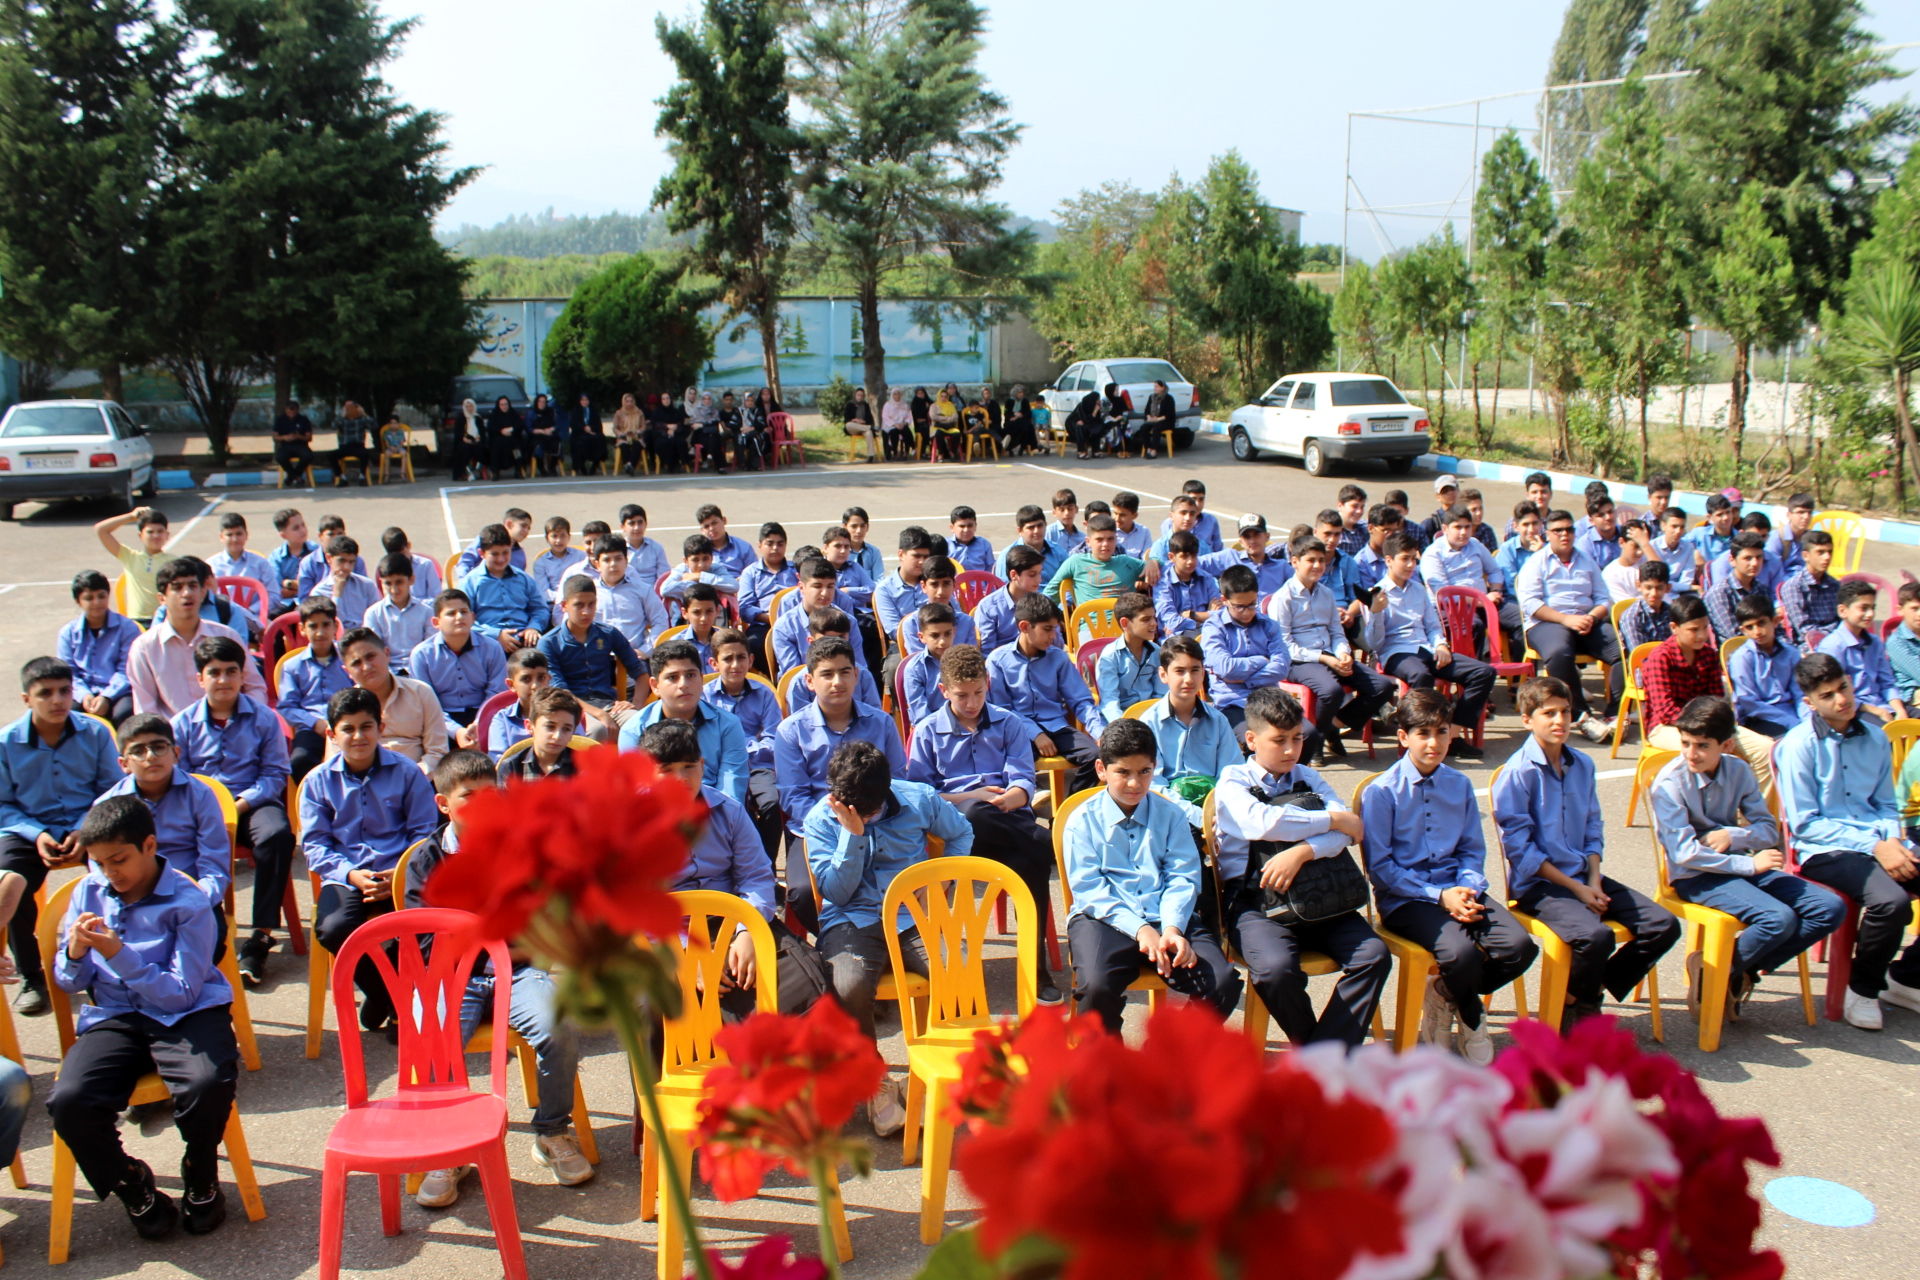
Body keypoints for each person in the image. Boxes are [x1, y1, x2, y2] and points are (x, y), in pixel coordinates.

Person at [399, 751, 592, 1208]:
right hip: (453, 978)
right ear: (445, 804)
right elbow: (424, 946)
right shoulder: (426, 862)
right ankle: (452, 1148)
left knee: (557, 1026)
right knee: (436, 1039)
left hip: (521, 970)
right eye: (470, 797)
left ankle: (551, 1130)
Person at [47, 796, 238, 1239]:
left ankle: (201, 1172)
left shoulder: (189, 901)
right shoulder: (88, 891)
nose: (109, 873)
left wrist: (118, 953)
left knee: (207, 1082)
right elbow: (68, 981)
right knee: (70, 1101)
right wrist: (75, 952)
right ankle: (130, 1181)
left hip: (186, 1012)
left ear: (149, 845)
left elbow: (181, 994)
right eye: (98, 863)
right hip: (116, 1013)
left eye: (119, 859)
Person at [1361, 690, 1538, 1064]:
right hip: (1406, 898)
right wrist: (1440, 897)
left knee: (1519, 947)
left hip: (1459, 887)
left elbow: (1472, 849)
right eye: (1422, 733)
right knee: (1459, 954)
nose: (1434, 742)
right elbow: (1382, 867)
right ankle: (1472, 1017)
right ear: (1403, 737)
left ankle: (1444, 993)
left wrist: (1468, 888)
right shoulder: (1382, 792)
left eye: (1441, 732)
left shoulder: (1458, 785)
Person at [1493, 676, 1679, 1028]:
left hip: (1584, 875)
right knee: (1596, 936)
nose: (1559, 721)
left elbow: (1593, 827)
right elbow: (1521, 851)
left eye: (1564, 712)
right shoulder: (1518, 773)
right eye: (1548, 713)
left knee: (1663, 925)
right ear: (1527, 719)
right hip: (1540, 885)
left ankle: (1578, 992)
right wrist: (1578, 889)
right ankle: (1584, 1004)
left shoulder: (1582, 764)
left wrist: (1593, 879)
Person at [803, 740, 969, 1134]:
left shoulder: (919, 799)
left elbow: (961, 834)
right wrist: (852, 835)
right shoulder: (821, 819)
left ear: (886, 792)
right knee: (847, 984)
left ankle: (927, 1075)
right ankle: (874, 1080)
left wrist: (940, 879)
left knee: (957, 969)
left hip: (913, 915)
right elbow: (835, 892)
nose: (855, 812)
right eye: (845, 804)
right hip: (853, 918)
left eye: (868, 809)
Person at [1651, 696, 1844, 1021]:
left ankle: (1726, 971)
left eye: (1701, 746)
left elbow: (1768, 830)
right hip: (1695, 876)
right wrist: (1747, 864)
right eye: (1685, 743)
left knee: (1829, 907)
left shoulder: (1738, 769)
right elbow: (1685, 854)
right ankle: (1727, 973)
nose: (1690, 754)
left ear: (1725, 745)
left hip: (1740, 866)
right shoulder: (1669, 784)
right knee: (1778, 918)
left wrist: (1733, 836)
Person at [1214, 687, 1387, 1047]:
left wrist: (1303, 852)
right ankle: (1321, 1054)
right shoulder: (1232, 781)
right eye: (1279, 741)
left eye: (1297, 738)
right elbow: (1263, 823)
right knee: (1275, 970)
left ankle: (1324, 1054)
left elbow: (1347, 836)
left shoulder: (1309, 777)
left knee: (1374, 955)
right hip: (1256, 902)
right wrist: (1333, 820)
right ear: (1251, 740)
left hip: (1321, 893)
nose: (1291, 750)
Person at [906, 645, 1062, 1003]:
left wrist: (1010, 798)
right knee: (976, 815)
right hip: (956, 833)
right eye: (962, 695)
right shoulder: (928, 731)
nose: (972, 702)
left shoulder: (1008, 722)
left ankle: (1034, 968)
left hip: (1007, 821)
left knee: (1029, 865)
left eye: (978, 692)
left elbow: (1023, 779)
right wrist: (969, 797)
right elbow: (920, 796)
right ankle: (1049, 841)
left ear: (988, 684)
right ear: (944, 691)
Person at [1062, 719, 1240, 1033]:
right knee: (1097, 989)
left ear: (1155, 768)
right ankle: (1111, 1070)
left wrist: (1171, 928)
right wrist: (1141, 929)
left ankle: (1169, 1057)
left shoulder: (1171, 815)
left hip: (1166, 914)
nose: (1135, 783)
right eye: (1123, 772)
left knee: (1222, 983)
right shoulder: (1081, 821)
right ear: (1102, 769)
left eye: (1144, 772)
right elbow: (1090, 891)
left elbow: (1183, 876)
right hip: (1105, 918)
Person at [640, 720, 822, 1018]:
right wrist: (687, 954)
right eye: (667, 770)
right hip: (671, 933)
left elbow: (756, 877)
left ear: (702, 764)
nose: (681, 779)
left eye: (689, 767)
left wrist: (745, 932)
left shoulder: (729, 811)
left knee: (806, 983)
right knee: (654, 1009)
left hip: (734, 918)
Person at [1775, 654, 1920, 1030]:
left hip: (1878, 840)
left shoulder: (1874, 736)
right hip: (1825, 850)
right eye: (1828, 695)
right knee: (1892, 903)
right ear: (1811, 703)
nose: (1842, 700)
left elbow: (1886, 803)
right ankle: (1863, 989)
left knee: (1900, 890)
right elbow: (1805, 824)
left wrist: (1891, 839)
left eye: (1844, 688)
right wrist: (1875, 846)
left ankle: (1906, 977)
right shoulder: (1798, 745)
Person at [301, 687, 440, 1033]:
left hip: (399, 870)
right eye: (348, 729)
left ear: (381, 727)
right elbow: (316, 844)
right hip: (348, 874)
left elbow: (423, 833)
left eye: (366, 726)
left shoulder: (408, 773)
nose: (358, 736)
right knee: (333, 928)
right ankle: (388, 998)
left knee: (415, 927)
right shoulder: (318, 782)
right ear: (333, 734)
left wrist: (399, 873)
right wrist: (351, 875)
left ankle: (401, 1005)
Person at [0, 656, 124, 1015]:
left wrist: (84, 829)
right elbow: (3, 804)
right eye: (45, 693)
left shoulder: (96, 731)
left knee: (118, 872)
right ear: (27, 699)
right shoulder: (6, 743)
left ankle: (117, 960)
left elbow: (112, 790)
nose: (57, 700)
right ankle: (31, 974)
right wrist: (36, 834)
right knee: (11, 879)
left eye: (64, 691)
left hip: (89, 825)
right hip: (28, 828)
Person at [172, 637, 293, 985]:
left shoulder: (264, 718)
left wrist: (239, 805)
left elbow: (274, 774)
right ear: (200, 679)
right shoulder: (183, 724)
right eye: (214, 673)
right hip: (201, 809)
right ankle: (197, 933)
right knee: (177, 844)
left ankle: (261, 935)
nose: (223, 680)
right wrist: (214, 808)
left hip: (251, 804)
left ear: (242, 676)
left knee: (277, 836)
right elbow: (181, 778)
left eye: (231, 672)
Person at [1368, 531, 1495, 757]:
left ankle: (1452, 735)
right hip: (1396, 652)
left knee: (1483, 672)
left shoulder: (1419, 589)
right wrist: (1376, 613)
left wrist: (1441, 645)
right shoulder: (1377, 594)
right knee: (1421, 675)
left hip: (1425, 649)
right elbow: (1375, 643)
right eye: (1404, 559)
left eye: (1414, 559)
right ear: (1389, 561)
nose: (1410, 565)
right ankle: (1418, 738)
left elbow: (1433, 626)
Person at [1639, 594, 1777, 796]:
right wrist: (1710, 733)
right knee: (1708, 751)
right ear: (1674, 628)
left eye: (1705, 628)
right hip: (1667, 728)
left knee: (1766, 749)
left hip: (1711, 727)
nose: (1702, 635)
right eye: (1694, 630)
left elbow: (1717, 701)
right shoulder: (1660, 658)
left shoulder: (1708, 655)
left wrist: (1722, 730)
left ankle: (1757, 820)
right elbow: (1667, 711)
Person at [1270, 537, 1393, 763]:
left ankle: (1328, 728)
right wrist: (1325, 659)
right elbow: (1285, 645)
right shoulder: (1283, 598)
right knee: (1332, 691)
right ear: (1295, 561)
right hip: (1300, 661)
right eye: (1311, 560)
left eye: (1321, 560)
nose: (1317, 566)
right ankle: (1315, 740)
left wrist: (1344, 652)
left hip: (1331, 655)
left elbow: (1336, 632)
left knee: (1383, 686)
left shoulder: (1326, 594)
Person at [1517, 508, 1621, 742]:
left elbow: (1604, 597)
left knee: (1622, 650)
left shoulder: (1586, 560)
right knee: (1558, 652)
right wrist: (1565, 619)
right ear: (1548, 534)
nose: (1565, 535)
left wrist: (1593, 617)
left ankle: (1614, 713)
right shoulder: (1537, 562)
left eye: (1569, 529)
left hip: (1586, 621)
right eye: (1558, 530)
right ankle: (1581, 715)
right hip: (1548, 622)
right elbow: (1530, 603)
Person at [987, 595, 1103, 794]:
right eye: (1047, 629)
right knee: (1016, 763)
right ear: (1024, 627)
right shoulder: (998, 660)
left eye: (1055, 629)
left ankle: (1070, 809)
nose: (1053, 636)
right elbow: (1002, 710)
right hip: (1017, 730)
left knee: (1097, 756)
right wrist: (1036, 734)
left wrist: (1100, 732)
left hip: (1056, 726)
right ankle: (1024, 812)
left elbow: (1081, 701)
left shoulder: (1058, 658)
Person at [126, 560, 264, 719]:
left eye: (192, 586)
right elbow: (146, 708)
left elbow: (255, 686)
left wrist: (247, 722)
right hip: (172, 737)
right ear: (162, 598)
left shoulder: (227, 636)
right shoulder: (145, 648)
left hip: (231, 731)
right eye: (177, 588)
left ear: (203, 592)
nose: (187, 593)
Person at [619, 640, 749, 798]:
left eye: (690, 675)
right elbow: (639, 791)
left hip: (717, 813)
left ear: (701, 680)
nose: (683, 684)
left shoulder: (728, 724)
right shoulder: (634, 730)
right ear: (655, 686)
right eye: (672, 677)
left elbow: (732, 788)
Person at [537, 576, 646, 741]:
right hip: (573, 709)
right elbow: (561, 692)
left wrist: (635, 704)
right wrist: (598, 714)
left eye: (591, 604)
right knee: (597, 731)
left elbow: (641, 674)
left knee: (638, 725)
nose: (586, 612)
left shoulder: (608, 633)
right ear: (564, 606)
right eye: (579, 605)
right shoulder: (549, 643)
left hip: (610, 706)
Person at [409, 589, 508, 747]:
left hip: (483, 713)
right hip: (440, 718)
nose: (459, 617)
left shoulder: (492, 648)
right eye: (451, 613)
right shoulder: (421, 655)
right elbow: (426, 702)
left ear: (473, 617)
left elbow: (496, 692)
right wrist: (456, 731)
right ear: (436, 622)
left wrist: (479, 723)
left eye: (463, 612)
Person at [340, 627, 449, 771]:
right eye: (356, 663)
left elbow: (438, 752)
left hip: (417, 782)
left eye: (370, 656)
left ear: (387, 654)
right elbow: (336, 760)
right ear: (347, 671)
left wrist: (409, 780)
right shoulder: (344, 707)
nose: (366, 667)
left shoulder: (420, 692)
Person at [1201, 565, 1290, 735]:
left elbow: (1282, 667)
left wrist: (1245, 679)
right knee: (1258, 739)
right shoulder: (1214, 627)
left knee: (1308, 734)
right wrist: (1263, 660)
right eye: (1240, 606)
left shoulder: (1268, 625)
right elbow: (1226, 668)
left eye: (1252, 604)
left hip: (1269, 699)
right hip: (1232, 703)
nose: (1247, 612)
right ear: (1224, 600)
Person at [1817, 579, 1906, 723]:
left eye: (1872, 608)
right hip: (1855, 710)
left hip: (1883, 705)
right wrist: (1877, 711)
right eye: (1863, 608)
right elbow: (1836, 693)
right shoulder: (1833, 646)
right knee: (1886, 734)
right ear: (1842, 611)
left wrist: (1900, 711)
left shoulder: (1874, 642)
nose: (1870, 614)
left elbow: (1887, 682)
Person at [60, 570, 140, 725]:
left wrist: (107, 697)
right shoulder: (68, 633)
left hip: (119, 692)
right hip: (82, 692)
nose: (96, 602)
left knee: (124, 714)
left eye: (101, 596)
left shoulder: (128, 628)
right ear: (78, 601)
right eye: (89, 598)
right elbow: (68, 673)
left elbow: (127, 669)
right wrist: (85, 696)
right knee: (67, 715)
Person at [459, 524, 547, 655]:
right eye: (494, 554)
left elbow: (540, 608)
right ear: (481, 553)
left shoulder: (523, 579)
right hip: (487, 643)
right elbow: (464, 618)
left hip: (524, 639)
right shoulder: (470, 582)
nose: (501, 559)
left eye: (505, 553)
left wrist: (533, 628)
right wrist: (495, 635)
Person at [590, 534, 669, 658]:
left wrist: (646, 650)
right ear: (597, 564)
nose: (613, 564)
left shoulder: (642, 590)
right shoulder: (589, 593)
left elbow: (660, 620)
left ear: (626, 561)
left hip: (634, 660)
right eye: (606, 560)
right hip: (597, 660)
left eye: (618, 558)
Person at [93, 507, 177, 625]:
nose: (156, 536)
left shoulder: (174, 562)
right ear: (140, 535)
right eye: (150, 532)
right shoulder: (130, 557)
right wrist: (131, 516)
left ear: (167, 535)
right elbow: (100, 530)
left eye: (160, 531)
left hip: (165, 620)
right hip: (137, 621)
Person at [1046, 513, 1148, 607]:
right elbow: (1050, 593)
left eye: (1110, 539)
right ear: (1088, 541)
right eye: (1099, 540)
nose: (1105, 544)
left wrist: (1152, 561)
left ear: (1116, 540)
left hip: (1124, 625)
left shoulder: (1128, 563)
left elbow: (1158, 570)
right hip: (1090, 625)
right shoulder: (1075, 562)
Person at [1095, 593, 1166, 724]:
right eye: (1146, 620)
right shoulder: (1110, 656)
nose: (1154, 624)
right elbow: (1110, 701)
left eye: (1154, 618)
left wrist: (1154, 719)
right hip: (1122, 718)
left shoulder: (1156, 651)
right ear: (1125, 623)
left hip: (1151, 715)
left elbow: (1161, 694)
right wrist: (1125, 726)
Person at [497, 688, 584, 781]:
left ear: (573, 732)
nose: (557, 736)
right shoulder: (512, 767)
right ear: (530, 727)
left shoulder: (583, 768)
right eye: (550, 727)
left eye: (566, 729)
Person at [1705, 533, 1773, 645]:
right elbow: (1734, 636)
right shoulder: (1720, 593)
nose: (1755, 563)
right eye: (1748, 558)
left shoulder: (1762, 590)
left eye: (1759, 557)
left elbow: (1774, 627)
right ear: (1732, 560)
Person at [484, 648, 549, 759]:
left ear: (548, 679)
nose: (535, 686)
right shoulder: (503, 719)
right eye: (526, 679)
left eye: (541, 678)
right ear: (511, 685)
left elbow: (579, 748)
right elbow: (499, 761)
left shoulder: (564, 714)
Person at [1155, 531, 1219, 639]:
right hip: (1176, 639)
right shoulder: (1162, 582)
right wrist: (1206, 617)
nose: (1190, 562)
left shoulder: (1207, 579)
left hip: (1207, 634)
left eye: (1194, 556)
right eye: (1184, 557)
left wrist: (1193, 615)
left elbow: (1221, 615)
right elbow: (1171, 622)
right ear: (1171, 557)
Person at [1779, 530, 1840, 642]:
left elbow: (1842, 619)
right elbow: (1805, 631)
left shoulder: (1835, 585)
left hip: (1837, 641)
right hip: (1809, 646)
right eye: (1820, 552)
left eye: (1829, 552)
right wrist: (1834, 635)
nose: (1827, 557)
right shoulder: (1794, 587)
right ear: (1805, 556)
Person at [307, 534, 379, 628]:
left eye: (351, 562)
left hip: (364, 637)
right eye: (341, 561)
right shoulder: (319, 593)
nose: (347, 567)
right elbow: (332, 626)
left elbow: (377, 618)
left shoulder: (367, 585)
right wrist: (337, 594)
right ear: (329, 558)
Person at [993, 505, 1066, 585]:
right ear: (1020, 530)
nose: (1036, 531)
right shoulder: (1006, 556)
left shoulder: (1059, 552)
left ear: (1046, 525)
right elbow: (1002, 588)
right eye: (1031, 527)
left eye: (1040, 526)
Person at [1618, 560, 1674, 652]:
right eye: (1648, 587)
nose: (1654, 593)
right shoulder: (1632, 617)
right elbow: (1638, 654)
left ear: (1668, 588)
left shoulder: (1672, 612)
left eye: (1659, 588)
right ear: (1639, 585)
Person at [272, 400, 315, 484]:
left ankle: (292, 476)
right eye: (289, 411)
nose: (291, 413)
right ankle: (295, 476)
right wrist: (284, 437)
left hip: (300, 445)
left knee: (308, 456)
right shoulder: (280, 420)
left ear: (297, 410)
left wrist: (298, 436)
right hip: (286, 446)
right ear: (285, 410)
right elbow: (275, 436)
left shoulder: (303, 420)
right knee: (280, 457)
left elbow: (309, 437)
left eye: (293, 411)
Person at [332, 400, 374, 486]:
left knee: (365, 454)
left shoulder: (362, 419)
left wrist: (364, 414)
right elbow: (334, 426)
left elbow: (374, 426)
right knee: (331, 455)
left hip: (358, 445)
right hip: (345, 446)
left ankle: (362, 476)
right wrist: (342, 416)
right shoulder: (343, 420)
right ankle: (342, 477)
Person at [483, 395, 524, 479]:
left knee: (517, 449)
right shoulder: (494, 414)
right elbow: (490, 427)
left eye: (506, 404)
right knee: (496, 447)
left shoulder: (513, 414)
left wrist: (511, 430)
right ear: (498, 405)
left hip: (513, 439)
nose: (504, 406)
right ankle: (495, 472)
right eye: (502, 404)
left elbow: (519, 425)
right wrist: (501, 431)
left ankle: (518, 470)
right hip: (498, 439)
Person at [568, 393, 604, 476]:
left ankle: (595, 465)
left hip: (592, 433)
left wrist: (591, 429)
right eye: (583, 400)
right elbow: (573, 424)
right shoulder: (575, 411)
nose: (585, 402)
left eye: (586, 400)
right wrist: (584, 428)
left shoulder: (593, 410)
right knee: (580, 443)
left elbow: (598, 425)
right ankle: (581, 466)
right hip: (579, 434)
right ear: (579, 401)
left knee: (600, 439)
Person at [843, 385, 878, 462]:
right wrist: (855, 420)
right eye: (858, 395)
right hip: (853, 427)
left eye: (862, 395)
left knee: (869, 433)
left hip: (863, 427)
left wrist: (863, 421)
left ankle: (870, 455)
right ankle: (870, 428)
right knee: (848, 424)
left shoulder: (865, 405)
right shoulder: (850, 404)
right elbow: (846, 419)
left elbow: (869, 419)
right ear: (855, 395)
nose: (860, 397)